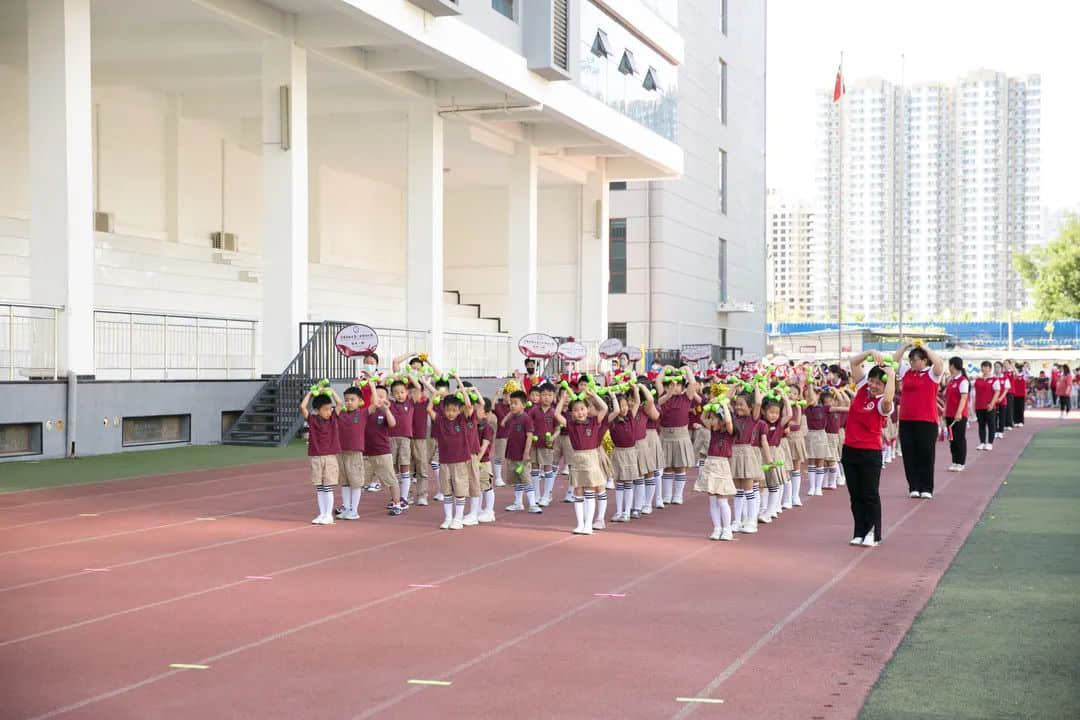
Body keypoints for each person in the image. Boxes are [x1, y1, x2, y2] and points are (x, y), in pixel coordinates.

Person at [840, 351, 896, 547]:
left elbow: (888, 399)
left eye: (877, 384)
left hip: (870, 452)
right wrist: (871, 353)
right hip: (850, 450)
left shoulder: (883, 403)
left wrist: (891, 376)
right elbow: (854, 363)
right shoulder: (863, 387)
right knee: (855, 495)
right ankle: (859, 531)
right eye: (871, 381)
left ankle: (873, 532)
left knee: (870, 494)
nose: (872, 385)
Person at [553, 387, 609, 534]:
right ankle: (580, 523)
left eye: (583, 409)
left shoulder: (593, 421)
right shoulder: (571, 424)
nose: (580, 412)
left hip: (591, 458)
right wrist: (562, 400)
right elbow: (557, 414)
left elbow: (604, 408)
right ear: (572, 413)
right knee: (578, 490)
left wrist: (594, 395)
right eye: (576, 410)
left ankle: (588, 524)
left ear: (588, 409)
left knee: (590, 489)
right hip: (577, 458)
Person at [894, 343, 945, 500]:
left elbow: (939, 364)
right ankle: (913, 486)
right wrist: (904, 347)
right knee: (909, 454)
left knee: (926, 454)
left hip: (927, 420)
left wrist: (925, 348)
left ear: (924, 360)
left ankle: (926, 487)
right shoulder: (907, 373)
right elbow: (894, 362)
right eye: (910, 360)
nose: (912, 363)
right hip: (907, 419)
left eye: (915, 360)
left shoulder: (931, 374)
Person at [656, 365, 702, 505]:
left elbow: (693, 384)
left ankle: (678, 495)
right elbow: (658, 382)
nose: (674, 387)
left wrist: (687, 369)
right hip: (665, 435)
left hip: (681, 434)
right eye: (671, 385)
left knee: (680, 467)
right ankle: (667, 495)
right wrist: (664, 370)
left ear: (682, 387)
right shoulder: (663, 397)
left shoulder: (685, 397)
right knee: (667, 467)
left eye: (677, 385)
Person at [428, 391, 474, 530]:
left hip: (460, 461)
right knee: (446, 491)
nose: (451, 413)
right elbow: (429, 409)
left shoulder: (462, 419)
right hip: (444, 462)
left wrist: (461, 390)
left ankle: (458, 518)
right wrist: (434, 394)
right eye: (448, 410)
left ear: (459, 410)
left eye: (454, 410)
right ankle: (448, 518)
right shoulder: (441, 420)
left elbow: (469, 405)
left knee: (459, 491)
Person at [299, 385, 342, 525]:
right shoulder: (313, 420)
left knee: (327, 486)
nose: (329, 412)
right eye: (325, 409)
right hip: (316, 457)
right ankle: (322, 513)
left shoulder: (333, 419)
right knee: (319, 486)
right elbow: (302, 407)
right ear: (317, 411)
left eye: (330, 409)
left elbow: (340, 404)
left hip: (329, 457)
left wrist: (331, 392)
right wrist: (310, 393)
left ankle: (328, 515)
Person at [729, 389, 769, 534]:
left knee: (749, 490)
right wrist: (734, 386)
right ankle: (737, 520)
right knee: (738, 491)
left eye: (742, 404)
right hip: (734, 453)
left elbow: (758, 401)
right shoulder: (733, 417)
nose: (738, 407)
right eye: (737, 404)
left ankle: (752, 521)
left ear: (750, 407)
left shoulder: (753, 418)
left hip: (748, 454)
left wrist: (756, 385)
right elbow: (726, 401)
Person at [697, 400, 736, 540]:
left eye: (714, 419)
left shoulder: (729, 432)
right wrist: (709, 406)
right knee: (712, 500)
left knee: (722, 500)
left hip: (722, 465)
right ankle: (717, 528)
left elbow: (729, 422)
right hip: (710, 464)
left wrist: (724, 405)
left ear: (721, 420)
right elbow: (702, 418)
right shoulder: (713, 431)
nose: (711, 421)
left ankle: (727, 529)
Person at [335, 384, 375, 520]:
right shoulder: (341, 413)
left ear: (359, 401)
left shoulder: (362, 413)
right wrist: (331, 392)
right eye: (347, 400)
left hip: (355, 453)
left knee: (356, 482)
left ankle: (354, 510)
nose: (349, 402)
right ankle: (346, 508)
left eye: (353, 400)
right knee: (345, 482)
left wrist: (372, 385)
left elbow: (375, 403)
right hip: (341, 452)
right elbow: (338, 404)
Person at [362, 385, 401, 514]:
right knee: (359, 481)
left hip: (382, 452)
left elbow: (393, 424)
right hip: (366, 453)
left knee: (391, 479)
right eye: (376, 395)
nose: (378, 398)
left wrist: (387, 410)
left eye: (382, 396)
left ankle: (397, 504)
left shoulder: (384, 412)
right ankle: (350, 505)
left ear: (386, 398)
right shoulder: (366, 411)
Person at [606, 388, 643, 523]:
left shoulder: (630, 417)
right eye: (622, 406)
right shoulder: (612, 421)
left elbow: (638, 402)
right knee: (619, 483)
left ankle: (626, 512)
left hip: (631, 453)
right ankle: (619, 511)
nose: (624, 409)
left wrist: (635, 389)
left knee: (628, 482)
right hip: (618, 452)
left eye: (626, 405)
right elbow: (615, 411)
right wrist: (613, 397)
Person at [501, 390, 539, 512]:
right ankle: (518, 502)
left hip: (522, 456)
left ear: (523, 405)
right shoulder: (512, 418)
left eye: (515, 403)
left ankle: (533, 503)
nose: (512, 405)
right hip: (512, 454)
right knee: (516, 480)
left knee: (526, 479)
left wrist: (526, 453)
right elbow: (502, 423)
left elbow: (529, 436)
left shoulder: (526, 419)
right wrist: (510, 414)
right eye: (511, 403)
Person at [943, 357, 970, 472]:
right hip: (949, 414)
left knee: (959, 439)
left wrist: (958, 413)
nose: (949, 368)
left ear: (953, 366)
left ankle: (961, 462)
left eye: (949, 365)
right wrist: (945, 411)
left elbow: (964, 398)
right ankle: (954, 461)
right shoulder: (951, 380)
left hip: (959, 415)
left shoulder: (963, 381)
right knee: (952, 439)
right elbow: (948, 398)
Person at [973, 361, 1003, 451]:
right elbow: (975, 393)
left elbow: (997, 392)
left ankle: (990, 443)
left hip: (989, 406)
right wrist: (974, 405)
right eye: (982, 367)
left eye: (986, 367)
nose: (984, 369)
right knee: (981, 425)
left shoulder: (994, 379)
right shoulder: (977, 380)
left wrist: (992, 403)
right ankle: (982, 442)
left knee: (991, 424)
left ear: (990, 369)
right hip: (979, 406)